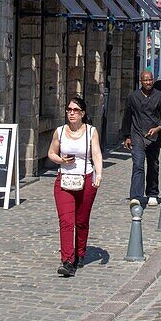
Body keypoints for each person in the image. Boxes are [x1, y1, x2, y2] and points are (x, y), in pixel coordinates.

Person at [48, 95, 102, 276]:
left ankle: (80, 253)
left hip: (86, 179)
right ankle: (67, 261)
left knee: (81, 220)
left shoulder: (91, 131)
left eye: (75, 110)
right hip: (64, 180)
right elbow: (51, 153)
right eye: (69, 110)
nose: (71, 113)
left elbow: (96, 154)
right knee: (66, 221)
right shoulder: (60, 131)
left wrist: (99, 174)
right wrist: (60, 159)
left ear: (82, 113)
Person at [121, 69, 161, 201]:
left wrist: (158, 128)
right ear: (141, 81)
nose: (148, 82)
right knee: (138, 164)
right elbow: (127, 117)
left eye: (150, 80)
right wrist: (126, 136)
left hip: (155, 137)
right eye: (146, 80)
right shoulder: (133, 97)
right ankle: (136, 196)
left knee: (153, 164)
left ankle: (152, 193)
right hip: (137, 135)